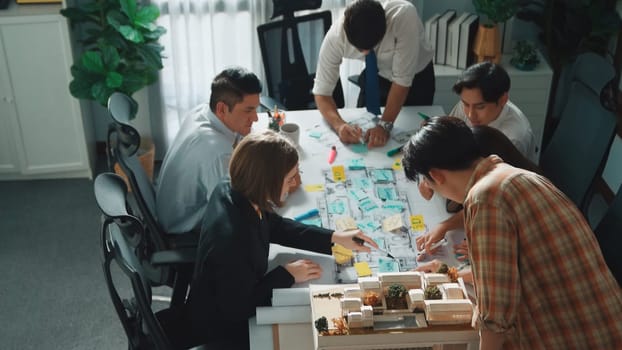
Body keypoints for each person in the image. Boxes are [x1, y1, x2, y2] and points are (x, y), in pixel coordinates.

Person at [403, 116, 622, 349]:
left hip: (574, 338)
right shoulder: (511, 176)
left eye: (430, 184)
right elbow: (506, 276)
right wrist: (450, 273)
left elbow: (496, 318)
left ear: (436, 175)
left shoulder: (485, 199)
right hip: (605, 328)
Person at [185, 130, 377, 349]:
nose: (295, 182)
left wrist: (335, 238)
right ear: (267, 182)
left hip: (227, 298)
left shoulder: (234, 191)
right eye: (289, 178)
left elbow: (276, 227)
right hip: (223, 329)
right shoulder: (233, 241)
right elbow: (238, 309)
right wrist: (286, 275)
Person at [155, 67, 263, 235]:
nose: (255, 118)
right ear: (222, 109)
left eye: (256, 109)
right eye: (248, 110)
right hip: (185, 228)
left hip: (173, 207)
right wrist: (278, 190)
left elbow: (239, 139)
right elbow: (235, 212)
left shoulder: (203, 112)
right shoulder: (217, 153)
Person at [312, 0, 434, 148]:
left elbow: (402, 81)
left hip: (416, 79)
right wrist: (340, 126)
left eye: (370, 48)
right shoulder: (336, 37)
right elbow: (321, 92)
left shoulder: (404, 16)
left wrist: (384, 126)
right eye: (359, 49)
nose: (364, 53)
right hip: (375, 77)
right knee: (367, 133)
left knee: (416, 140)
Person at [415, 125, 541, 259]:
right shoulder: (509, 178)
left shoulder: (488, 196)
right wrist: (445, 226)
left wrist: (450, 271)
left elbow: (497, 273)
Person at [449, 61, 537, 163]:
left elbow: (503, 177)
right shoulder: (470, 101)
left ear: (502, 100)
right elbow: (450, 138)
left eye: (480, 107)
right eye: (466, 104)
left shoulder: (514, 137)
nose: (470, 115)